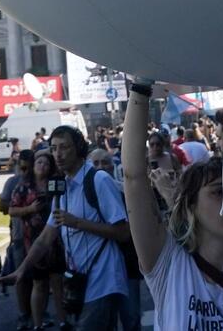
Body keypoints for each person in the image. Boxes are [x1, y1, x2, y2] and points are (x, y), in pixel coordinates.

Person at [121, 85, 223, 331]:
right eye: (219, 192)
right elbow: (134, 177)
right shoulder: (169, 265)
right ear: (190, 205)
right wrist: (140, 87)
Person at [47, 122, 135, 331]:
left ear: (78, 149)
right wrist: (22, 270)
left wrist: (76, 222)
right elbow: (46, 236)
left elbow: (123, 232)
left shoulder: (100, 180)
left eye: (63, 147)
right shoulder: (62, 188)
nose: (57, 154)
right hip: (79, 280)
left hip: (104, 280)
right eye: (53, 148)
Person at [8, 151, 59, 330]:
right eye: (39, 162)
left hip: (56, 239)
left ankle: (62, 321)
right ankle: (37, 324)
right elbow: (12, 210)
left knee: (57, 281)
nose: (42, 166)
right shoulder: (24, 186)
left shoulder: (56, 184)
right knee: (39, 282)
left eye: (46, 163)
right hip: (34, 238)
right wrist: (29, 209)